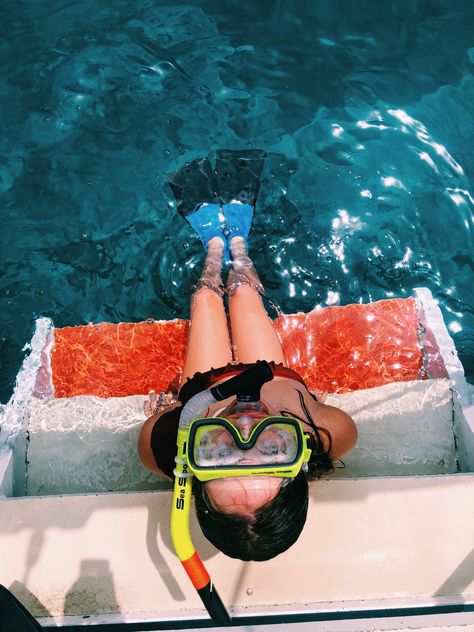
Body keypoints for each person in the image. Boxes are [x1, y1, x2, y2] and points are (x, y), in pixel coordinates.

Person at [137, 150, 357, 561]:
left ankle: (212, 250)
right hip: (271, 372)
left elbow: (153, 425)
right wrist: (312, 402)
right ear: (302, 460)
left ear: (193, 473)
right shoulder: (332, 436)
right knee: (242, 293)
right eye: (272, 450)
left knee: (205, 297)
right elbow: (326, 411)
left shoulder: (161, 449)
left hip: (207, 387)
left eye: (220, 453)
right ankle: (238, 246)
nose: (244, 424)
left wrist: (168, 409)